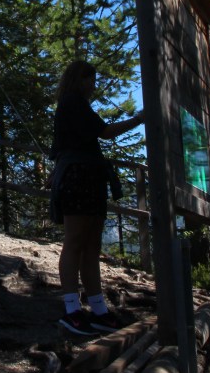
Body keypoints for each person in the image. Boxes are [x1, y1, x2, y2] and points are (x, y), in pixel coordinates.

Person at [50, 60, 144, 336]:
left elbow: (64, 145)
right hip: (80, 178)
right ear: (78, 80)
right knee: (77, 243)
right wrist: (139, 119)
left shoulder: (73, 105)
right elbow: (106, 133)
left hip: (86, 177)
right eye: (89, 79)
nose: (93, 84)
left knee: (89, 245)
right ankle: (72, 309)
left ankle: (97, 309)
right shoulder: (73, 103)